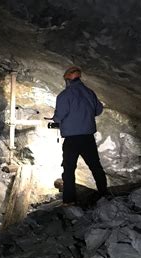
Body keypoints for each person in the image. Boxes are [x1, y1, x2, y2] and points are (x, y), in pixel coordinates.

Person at [51, 66, 108, 205]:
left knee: (69, 169)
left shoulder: (65, 95)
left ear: (67, 80)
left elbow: (59, 116)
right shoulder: (89, 93)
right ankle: (105, 195)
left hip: (72, 139)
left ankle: (69, 201)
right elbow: (98, 110)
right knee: (95, 166)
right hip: (88, 137)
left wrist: (55, 119)